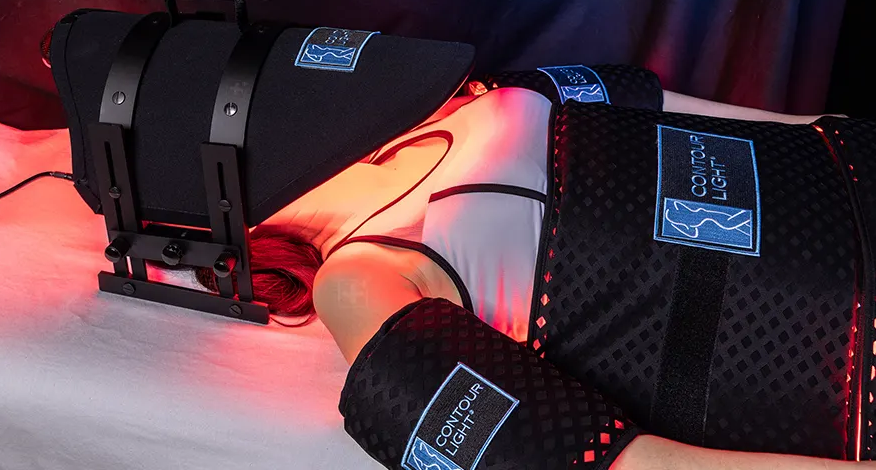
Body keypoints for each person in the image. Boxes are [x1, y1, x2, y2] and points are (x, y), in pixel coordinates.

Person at [189, 84, 868, 469]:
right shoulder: (358, 276)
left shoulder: (438, 98)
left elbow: (684, 113)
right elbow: (593, 461)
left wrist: (838, 133)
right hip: (828, 342)